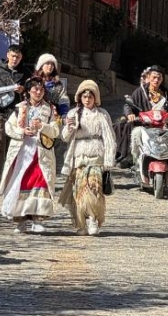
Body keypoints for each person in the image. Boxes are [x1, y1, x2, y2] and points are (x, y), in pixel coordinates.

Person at [0, 77, 59, 234]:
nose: (38, 92)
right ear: (28, 91)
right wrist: (21, 131)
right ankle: (21, 220)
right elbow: (8, 127)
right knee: (22, 183)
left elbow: (55, 131)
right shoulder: (20, 108)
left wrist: (43, 126)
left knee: (40, 182)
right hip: (23, 151)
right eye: (35, 89)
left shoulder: (50, 109)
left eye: (41, 90)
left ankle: (38, 219)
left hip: (41, 152)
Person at [59, 80, 116, 236]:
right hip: (78, 157)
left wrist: (109, 159)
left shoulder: (102, 114)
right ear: (80, 97)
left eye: (90, 96)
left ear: (95, 97)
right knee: (79, 192)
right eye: (84, 96)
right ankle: (81, 223)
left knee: (93, 189)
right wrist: (69, 127)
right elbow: (64, 137)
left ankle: (92, 219)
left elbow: (109, 137)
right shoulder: (73, 113)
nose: (87, 99)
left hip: (96, 155)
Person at [114, 65, 168, 167]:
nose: (156, 80)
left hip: (165, 127)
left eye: (159, 77)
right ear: (148, 77)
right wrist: (129, 113)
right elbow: (129, 105)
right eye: (154, 77)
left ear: (162, 79)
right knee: (136, 133)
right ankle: (135, 159)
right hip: (146, 127)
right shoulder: (140, 92)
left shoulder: (167, 94)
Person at [0, 45, 32, 193]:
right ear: (7, 55)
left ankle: (13, 178)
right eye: (12, 56)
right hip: (0, 112)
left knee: (16, 146)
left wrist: (23, 89)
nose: (15, 59)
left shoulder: (25, 72)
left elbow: (32, 89)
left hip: (18, 114)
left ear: (21, 57)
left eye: (17, 57)